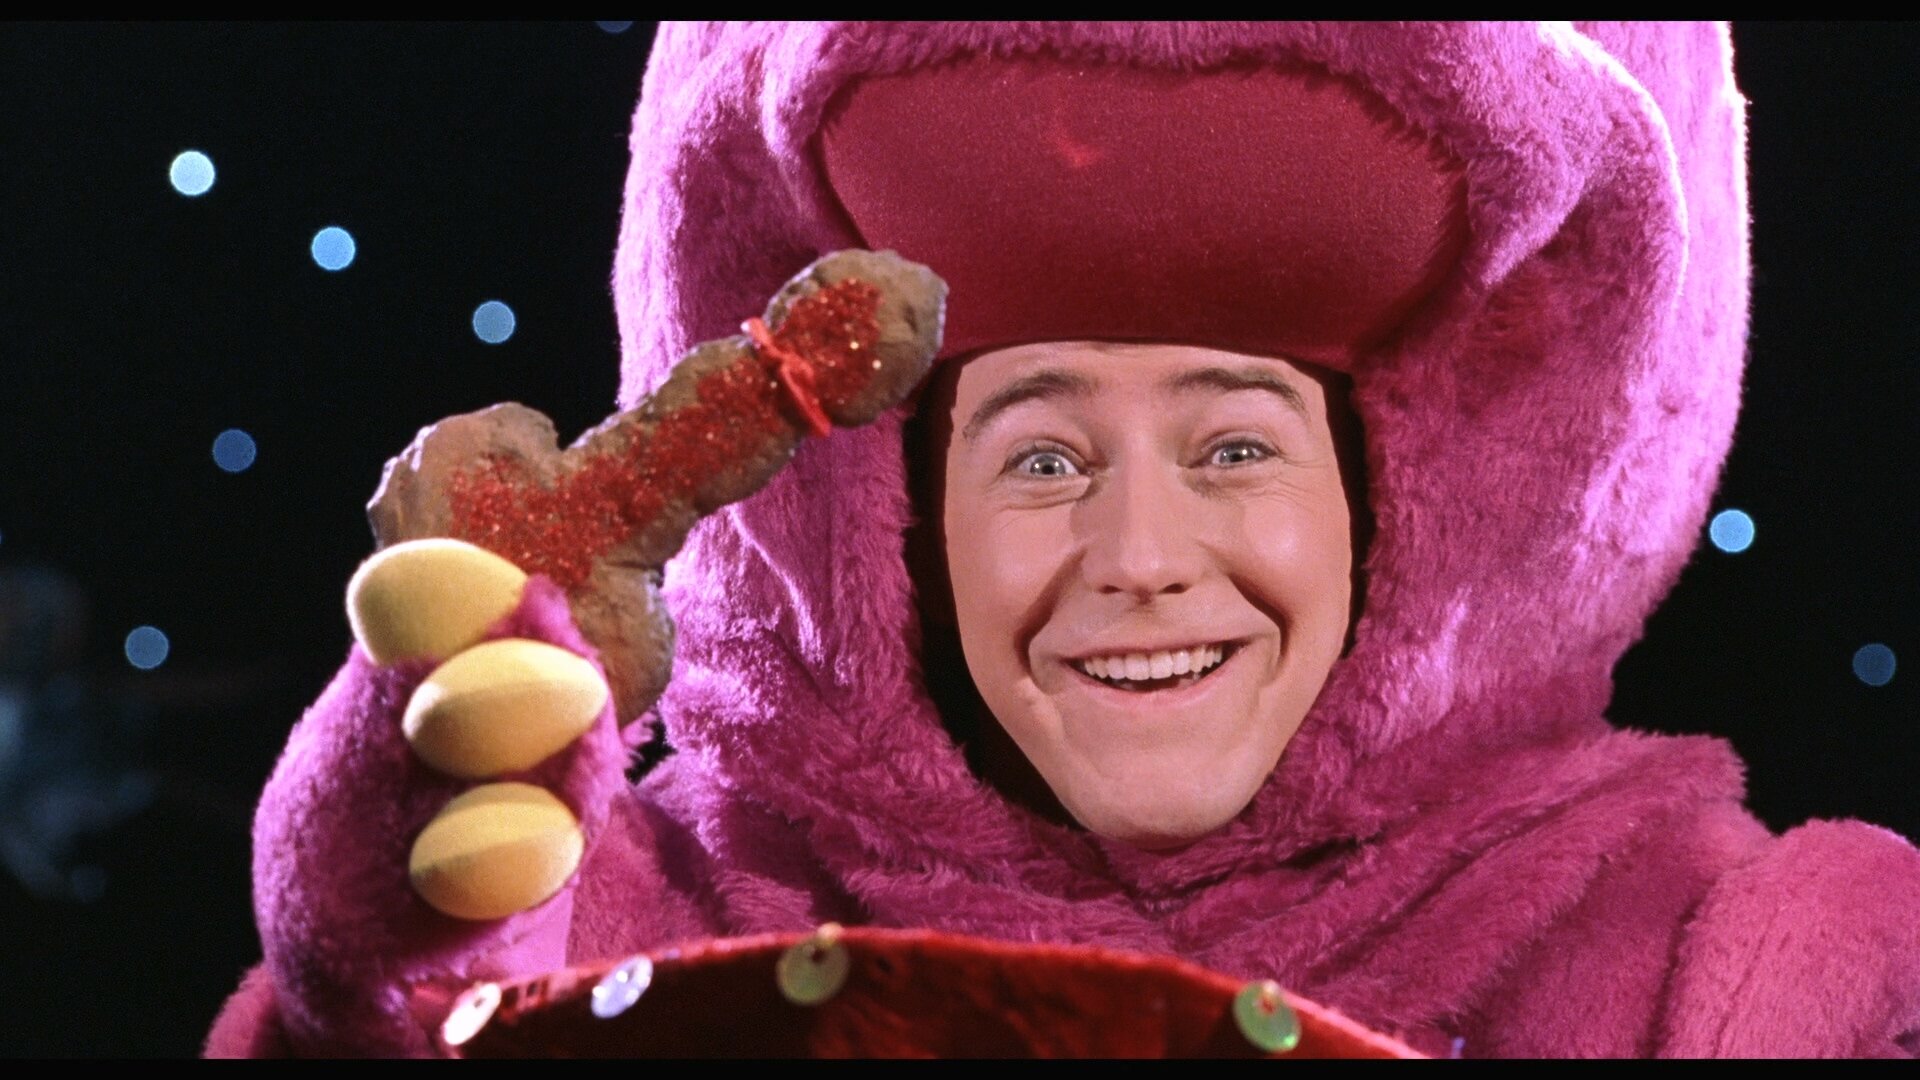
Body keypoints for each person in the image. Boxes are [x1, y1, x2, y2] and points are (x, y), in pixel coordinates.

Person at [208, 23, 1920, 1058]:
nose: (1140, 554)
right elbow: (399, 1012)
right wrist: (405, 906)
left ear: (1405, 497)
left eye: (1236, 444)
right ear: (897, 518)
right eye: (1039, 457)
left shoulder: (1707, 968)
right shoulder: (670, 914)